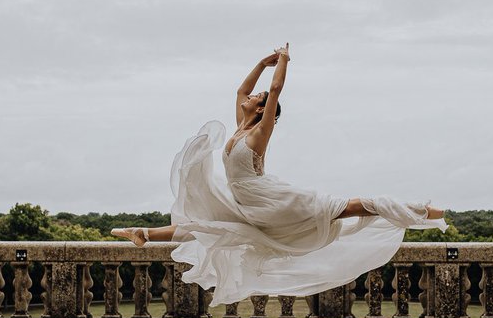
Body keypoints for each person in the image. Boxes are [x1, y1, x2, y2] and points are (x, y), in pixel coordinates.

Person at [112, 44, 447, 304]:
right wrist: (261, 63)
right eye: (256, 97)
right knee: (210, 225)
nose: (253, 96)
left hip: (273, 200)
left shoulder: (259, 133)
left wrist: (284, 59)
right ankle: (144, 233)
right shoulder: (241, 128)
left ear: (261, 111)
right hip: (248, 203)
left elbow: (273, 92)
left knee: (352, 206)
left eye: (257, 98)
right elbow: (240, 92)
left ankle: (422, 211)